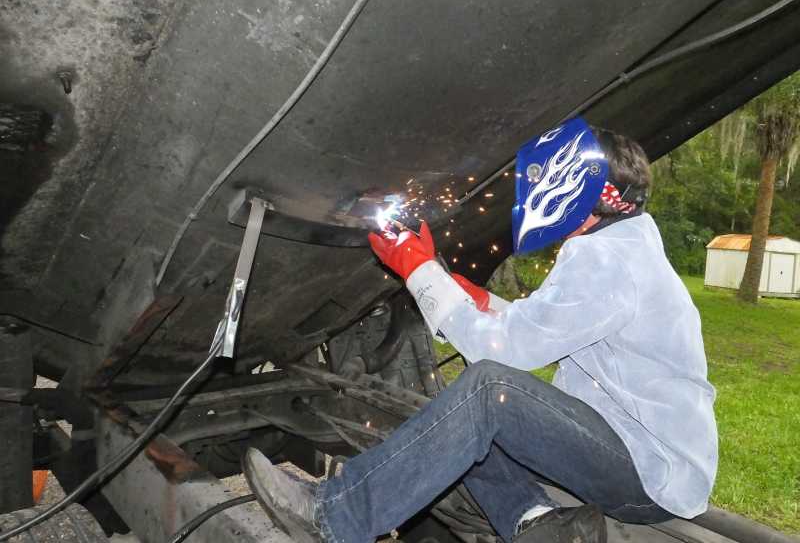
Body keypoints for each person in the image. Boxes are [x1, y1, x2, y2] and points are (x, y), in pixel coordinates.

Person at [242, 117, 718, 543]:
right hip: (641, 456)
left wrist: (420, 274)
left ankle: (335, 519)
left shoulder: (607, 258)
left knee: (488, 392)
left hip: (650, 474)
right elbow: (550, 327)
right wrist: (472, 295)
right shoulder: (623, 247)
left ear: (581, 184)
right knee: (457, 427)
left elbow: (505, 353)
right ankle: (537, 524)